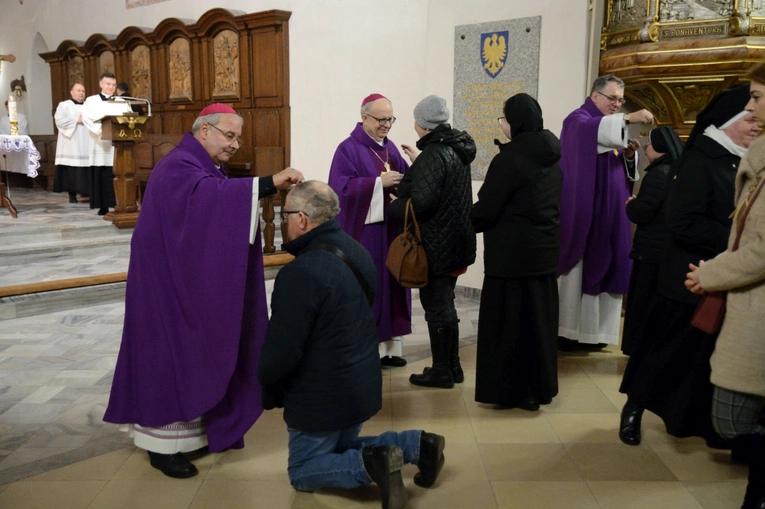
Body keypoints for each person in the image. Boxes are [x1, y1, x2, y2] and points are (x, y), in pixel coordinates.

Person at [103, 103, 304, 479]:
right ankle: (162, 446)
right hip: (164, 287)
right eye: (229, 136)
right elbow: (210, 201)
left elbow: (211, 206)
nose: (234, 144)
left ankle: (193, 434)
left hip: (183, 278)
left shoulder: (202, 165)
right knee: (167, 354)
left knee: (191, 351)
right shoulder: (178, 165)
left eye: (237, 137)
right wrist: (267, 183)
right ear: (204, 131)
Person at [257, 181, 446, 509]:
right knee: (341, 447)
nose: (283, 221)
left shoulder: (300, 273)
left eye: (285, 214)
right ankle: (418, 445)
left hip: (321, 395)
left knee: (303, 470)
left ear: (301, 219)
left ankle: (371, 465)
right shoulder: (356, 249)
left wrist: (265, 385)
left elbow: (281, 353)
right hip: (361, 381)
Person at [618, 84, 760, 448]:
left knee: (700, 359)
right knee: (663, 352)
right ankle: (634, 408)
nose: (755, 123)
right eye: (749, 116)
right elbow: (683, 222)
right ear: (729, 121)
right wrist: (738, 239)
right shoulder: (700, 159)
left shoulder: (751, 157)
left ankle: (692, 422)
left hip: (725, 275)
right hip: (687, 274)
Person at [684, 65, 765, 509]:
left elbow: (761, 249)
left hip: (753, 299)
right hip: (746, 297)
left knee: (730, 421)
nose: (751, 107)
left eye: (756, 97)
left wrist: (710, 273)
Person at [472, 93, 563, 410]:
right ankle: (536, 390)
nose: (503, 124)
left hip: (510, 260)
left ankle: (511, 391)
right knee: (537, 326)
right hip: (543, 256)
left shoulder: (509, 160)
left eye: (504, 118)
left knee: (510, 328)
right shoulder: (551, 156)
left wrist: (461, 222)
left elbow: (487, 209)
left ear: (516, 122)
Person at [557, 75, 654, 347]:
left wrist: (628, 156)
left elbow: (616, 167)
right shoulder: (578, 120)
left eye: (621, 100)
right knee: (582, 268)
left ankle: (597, 334)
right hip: (588, 213)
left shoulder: (607, 126)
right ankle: (570, 332)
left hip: (611, 215)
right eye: (613, 98)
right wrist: (628, 117)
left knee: (611, 265)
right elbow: (590, 133)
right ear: (595, 95)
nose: (617, 104)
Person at [389, 95, 476, 389]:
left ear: (421, 123)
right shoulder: (456, 149)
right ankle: (453, 366)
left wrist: (394, 204)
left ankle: (441, 371)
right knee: (446, 304)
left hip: (437, 243)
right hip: (457, 242)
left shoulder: (434, 154)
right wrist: (418, 164)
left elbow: (423, 203)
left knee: (436, 307)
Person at [328, 93, 411, 368]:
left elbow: (405, 181)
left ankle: (390, 348)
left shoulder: (391, 149)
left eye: (390, 119)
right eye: (381, 119)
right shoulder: (347, 149)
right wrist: (378, 184)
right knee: (371, 286)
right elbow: (340, 190)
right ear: (364, 118)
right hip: (368, 234)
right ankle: (368, 350)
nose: (387, 125)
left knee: (393, 285)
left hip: (392, 230)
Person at [621, 127, 684, 355]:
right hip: (666, 250)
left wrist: (632, 204)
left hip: (650, 251)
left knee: (642, 303)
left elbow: (642, 213)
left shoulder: (658, 174)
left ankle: (638, 349)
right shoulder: (678, 170)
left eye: (649, 144)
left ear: (659, 148)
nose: (646, 148)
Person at [81, 71, 118, 216]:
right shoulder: (91, 101)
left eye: (113, 85)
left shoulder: (120, 100)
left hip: (116, 143)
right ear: (101, 84)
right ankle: (103, 205)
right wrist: (102, 131)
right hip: (99, 143)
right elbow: (87, 118)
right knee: (101, 173)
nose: (111, 87)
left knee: (114, 173)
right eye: (108, 84)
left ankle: (117, 202)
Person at [53, 83, 90, 203]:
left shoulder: (89, 106)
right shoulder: (64, 105)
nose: (81, 93)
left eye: (83, 91)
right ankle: (72, 195)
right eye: (78, 90)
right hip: (71, 143)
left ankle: (88, 192)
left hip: (87, 142)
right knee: (72, 170)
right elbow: (59, 121)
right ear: (72, 92)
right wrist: (76, 120)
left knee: (88, 169)